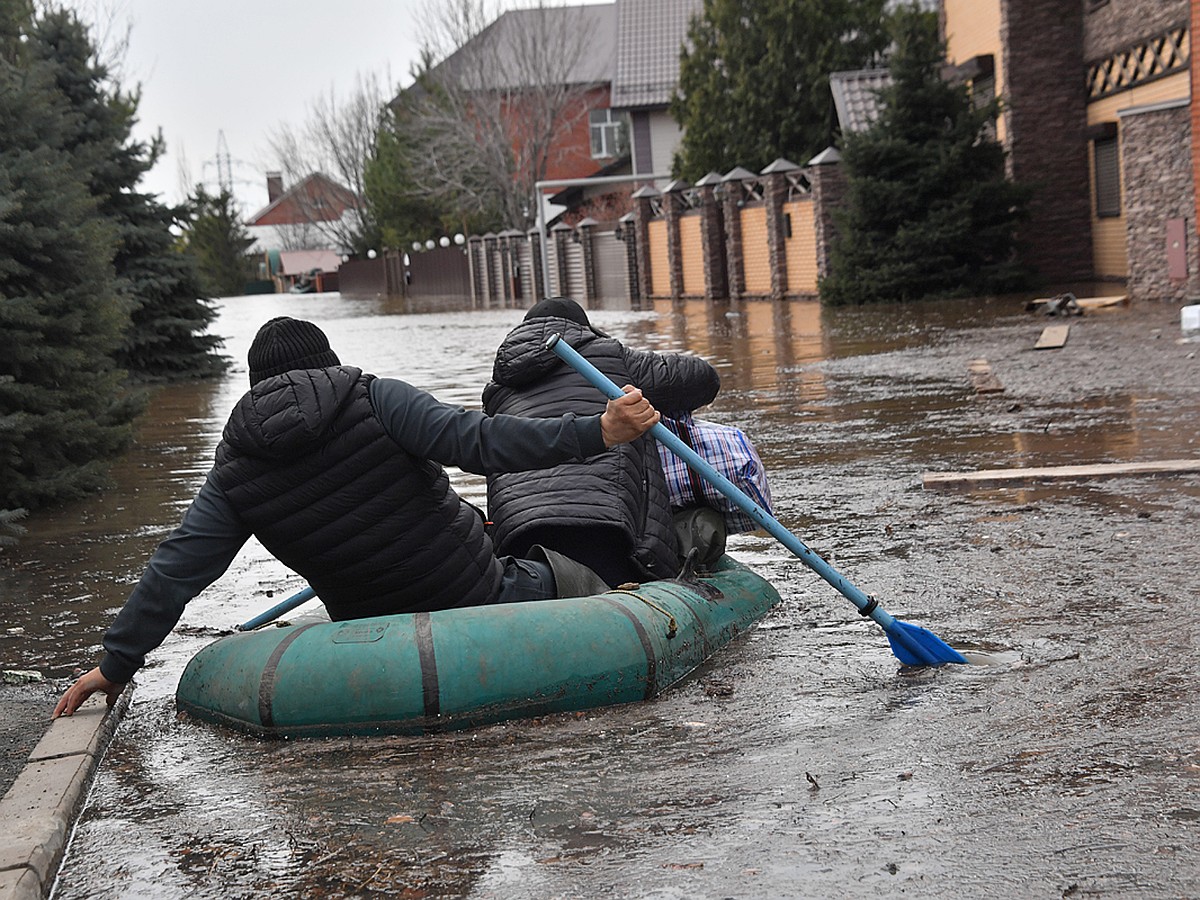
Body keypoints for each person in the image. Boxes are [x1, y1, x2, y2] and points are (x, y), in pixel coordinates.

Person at [54, 316, 660, 717]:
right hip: (477, 594)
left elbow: (176, 570)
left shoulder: (234, 468)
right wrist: (598, 430)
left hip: (365, 633)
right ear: (328, 363)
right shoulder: (374, 398)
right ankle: (624, 589)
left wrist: (116, 663)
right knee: (568, 571)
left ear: (255, 385)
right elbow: (485, 442)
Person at [481, 298, 720, 588]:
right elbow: (704, 378)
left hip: (518, 543)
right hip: (613, 538)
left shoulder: (496, 391)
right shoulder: (613, 357)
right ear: (584, 330)